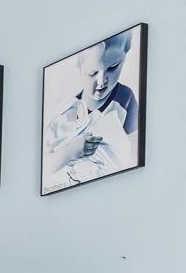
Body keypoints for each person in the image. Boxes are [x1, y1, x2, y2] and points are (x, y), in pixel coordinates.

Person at [44, 32, 139, 188]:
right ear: (80, 68)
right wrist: (70, 151)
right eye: (93, 73)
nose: (101, 81)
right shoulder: (64, 110)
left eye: (113, 67)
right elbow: (45, 167)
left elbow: (134, 154)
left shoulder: (125, 99)